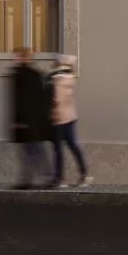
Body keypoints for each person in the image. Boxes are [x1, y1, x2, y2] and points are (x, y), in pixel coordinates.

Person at [8, 47, 52, 189]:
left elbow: (20, 100)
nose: (15, 58)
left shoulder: (20, 75)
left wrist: (19, 120)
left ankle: (35, 179)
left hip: (27, 120)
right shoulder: (35, 75)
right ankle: (36, 178)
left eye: (18, 56)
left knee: (32, 149)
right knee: (32, 149)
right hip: (34, 120)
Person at [49, 55, 89, 188]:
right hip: (70, 116)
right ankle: (84, 173)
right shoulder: (70, 78)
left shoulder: (58, 79)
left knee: (58, 149)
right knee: (73, 145)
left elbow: (57, 99)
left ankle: (59, 178)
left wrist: (53, 114)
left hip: (59, 118)